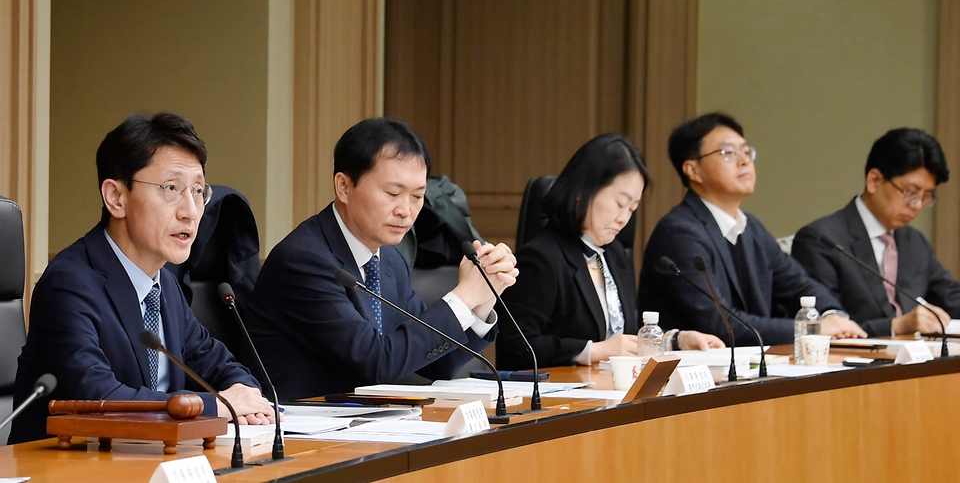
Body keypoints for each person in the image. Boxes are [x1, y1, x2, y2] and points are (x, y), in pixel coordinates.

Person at [9, 112, 273, 444]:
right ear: (116, 197)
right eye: (172, 188)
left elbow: (215, 363)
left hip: (149, 460)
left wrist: (247, 396)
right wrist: (216, 405)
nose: (190, 211)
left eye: (197, 191)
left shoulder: (164, 285)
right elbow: (97, 398)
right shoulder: (70, 283)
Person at [246, 117, 518, 400]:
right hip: (300, 429)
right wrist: (463, 296)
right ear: (344, 187)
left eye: (417, 196)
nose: (406, 210)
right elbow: (377, 363)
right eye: (392, 193)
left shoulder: (389, 260)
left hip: (364, 425)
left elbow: (439, 363)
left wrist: (483, 300)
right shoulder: (304, 260)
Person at [636, 113, 867, 346]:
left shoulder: (752, 228)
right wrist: (813, 330)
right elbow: (721, 325)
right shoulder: (680, 233)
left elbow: (800, 285)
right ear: (692, 170)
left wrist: (832, 316)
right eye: (728, 153)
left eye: (746, 151)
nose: (744, 161)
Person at [497, 134, 724, 370]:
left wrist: (676, 340)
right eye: (619, 203)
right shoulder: (542, 257)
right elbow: (515, 348)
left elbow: (624, 339)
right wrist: (593, 351)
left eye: (632, 208)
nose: (624, 218)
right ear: (583, 191)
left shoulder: (613, 255)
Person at [792, 128, 960, 337]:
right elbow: (826, 324)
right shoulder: (821, 240)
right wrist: (897, 325)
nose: (917, 205)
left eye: (926, 196)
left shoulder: (914, 241)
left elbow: (952, 298)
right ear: (874, 181)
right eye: (910, 193)